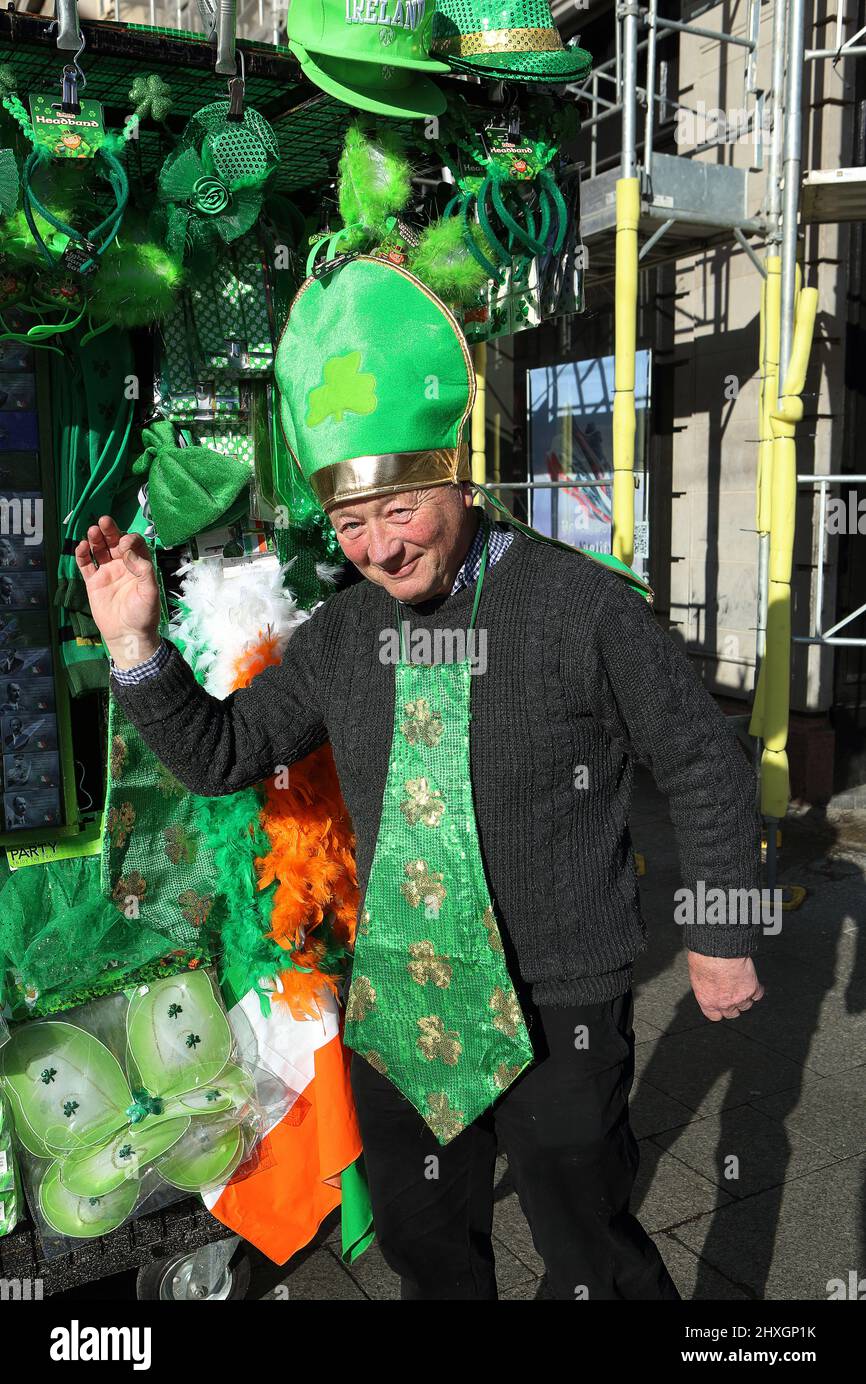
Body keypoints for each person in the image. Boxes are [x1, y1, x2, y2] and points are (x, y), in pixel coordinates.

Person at [76, 259, 764, 1301]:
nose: (379, 546)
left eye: (399, 510)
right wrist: (135, 647)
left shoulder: (584, 608)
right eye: (351, 526)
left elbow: (700, 760)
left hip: (558, 1002)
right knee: (426, 1249)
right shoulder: (344, 632)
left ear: (456, 474)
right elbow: (223, 752)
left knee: (588, 1250)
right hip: (401, 1004)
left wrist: (718, 933)